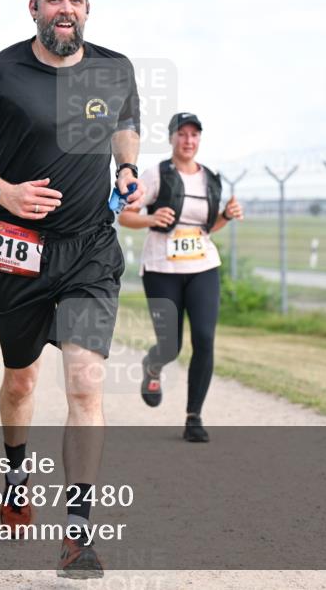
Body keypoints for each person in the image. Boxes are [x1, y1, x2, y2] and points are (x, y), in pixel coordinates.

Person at [0, 0, 143, 579]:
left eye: (75, 1)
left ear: (87, 8)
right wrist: (4, 192)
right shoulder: (0, 72)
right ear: (34, 7)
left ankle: (77, 533)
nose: (65, 10)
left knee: (84, 383)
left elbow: (127, 124)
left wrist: (127, 169)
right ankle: (17, 467)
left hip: (89, 249)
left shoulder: (113, 68)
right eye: (54, 0)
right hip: (17, 253)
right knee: (22, 381)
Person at [118, 113, 244, 442]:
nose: (188, 140)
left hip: (203, 266)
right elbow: (125, 215)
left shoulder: (210, 179)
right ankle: (154, 365)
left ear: (199, 140)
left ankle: (194, 417)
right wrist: (151, 218)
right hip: (162, 269)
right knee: (170, 346)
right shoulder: (156, 175)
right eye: (182, 134)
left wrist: (226, 217)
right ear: (172, 138)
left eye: (194, 135)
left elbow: (207, 227)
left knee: (204, 338)